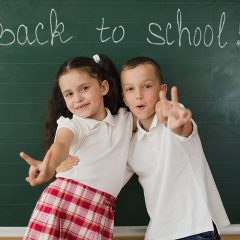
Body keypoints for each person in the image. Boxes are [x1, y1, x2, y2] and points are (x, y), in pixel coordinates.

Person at [20, 54, 133, 239]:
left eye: (85, 88)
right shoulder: (72, 125)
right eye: (69, 94)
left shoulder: (125, 120)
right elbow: (61, 145)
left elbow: (148, 118)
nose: (78, 98)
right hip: (64, 203)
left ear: (104, 87)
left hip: (98, 212)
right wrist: (47, 168)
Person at [120, 57, 230, 239]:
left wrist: (179, 126)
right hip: (159, 233)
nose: (138, 94)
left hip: (195, 229)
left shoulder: (174, 115)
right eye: (130, 89)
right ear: (124, 98)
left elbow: (184, 129)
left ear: (162, 90)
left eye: (147, 86)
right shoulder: (130, 145)